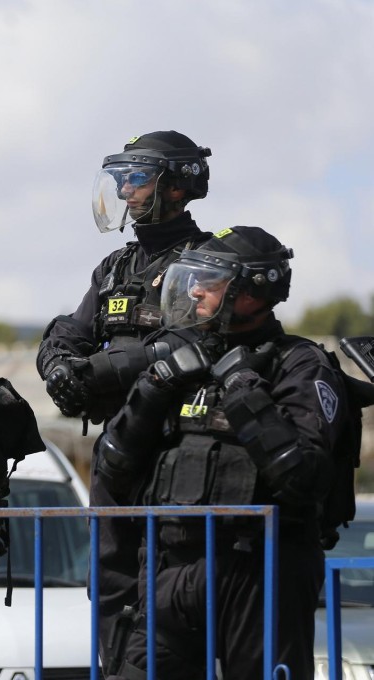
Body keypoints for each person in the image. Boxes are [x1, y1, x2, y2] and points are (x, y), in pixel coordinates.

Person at [95, 226, 343, 680]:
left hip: (259, 569)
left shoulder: (299, 365)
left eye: (209, 280)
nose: (195, 290)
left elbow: (304, 475)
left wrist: (242, 388)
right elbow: (112, 465)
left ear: (252, 290)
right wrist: (152, 388)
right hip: (170, 567)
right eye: (193, 278)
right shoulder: (179, 362)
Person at [36, 130, 214, 671]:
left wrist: (99, 368)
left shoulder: (209, 262)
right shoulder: (115, 266)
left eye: (136, 178)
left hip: (176, 446)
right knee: (110, 583)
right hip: (118, 449)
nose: (125, 191)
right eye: (120, 180)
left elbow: (194, 342)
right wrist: (61, 367)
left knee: (171, 585)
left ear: (177, 186)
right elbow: (68, 330)